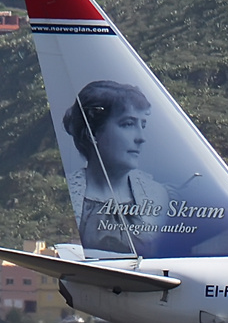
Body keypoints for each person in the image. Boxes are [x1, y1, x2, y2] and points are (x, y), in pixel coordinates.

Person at [62, 80, 169, 253]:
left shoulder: (158, 195)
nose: (141, 138)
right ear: (93, 132)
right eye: (128, 124)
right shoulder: (68, 195)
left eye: (143, 125)